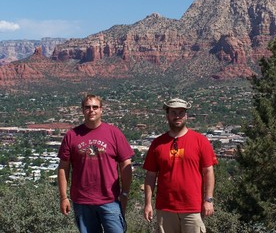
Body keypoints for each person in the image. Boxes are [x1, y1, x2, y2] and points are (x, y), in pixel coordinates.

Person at [57, 94, 134, 233]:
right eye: (87, 107)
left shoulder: (114, 133)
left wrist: (125, 194)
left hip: (110, 200)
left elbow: (126, 165)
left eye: (95, 107)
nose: (91, 110)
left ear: (101, 110)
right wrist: (63, 197)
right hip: (82, 201)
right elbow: (63, 168)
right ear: (82, 110)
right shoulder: (72, 135)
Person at [143, 98, 218, 233]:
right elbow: (150, 175)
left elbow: (208, 172)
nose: (177, 116)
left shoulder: (200, 141)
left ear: (186, 115)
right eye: (173, 112)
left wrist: (209, 200)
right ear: (167, 115)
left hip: (193, 207)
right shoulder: (157, 143)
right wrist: (147, 204)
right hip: (165, 208)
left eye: (181, 112)